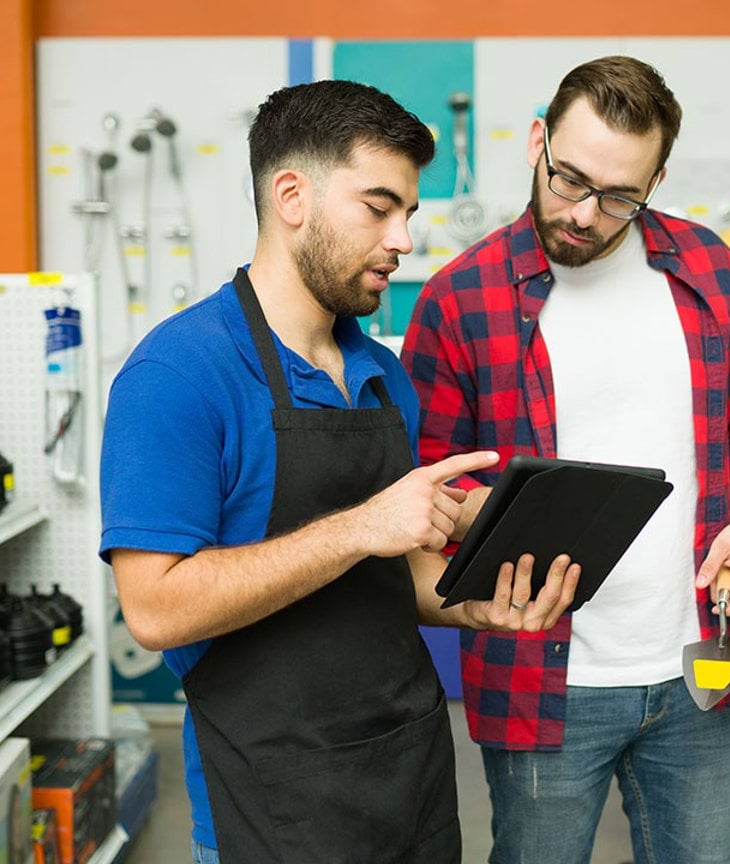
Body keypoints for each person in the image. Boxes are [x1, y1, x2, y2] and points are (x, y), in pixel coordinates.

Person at [99, 80, 581, 864]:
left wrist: (474, 605)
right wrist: (362, 527)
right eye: (378, 207)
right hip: (272, 801)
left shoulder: (381, 373)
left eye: (409, 215)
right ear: (292, 196)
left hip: (412, 777)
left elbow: (398, 577)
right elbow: (153, 608)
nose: (403, 240)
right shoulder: (179, 374)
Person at [401, 56, 730, 864]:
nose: (584, 214)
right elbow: (423, 484)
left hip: (701, 666)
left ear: (658, 179)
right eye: (568, 179)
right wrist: (483, 509)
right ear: (537, 142)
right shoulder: (459, 298)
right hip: (542, 680)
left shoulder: (707, 269)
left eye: (619, 196)